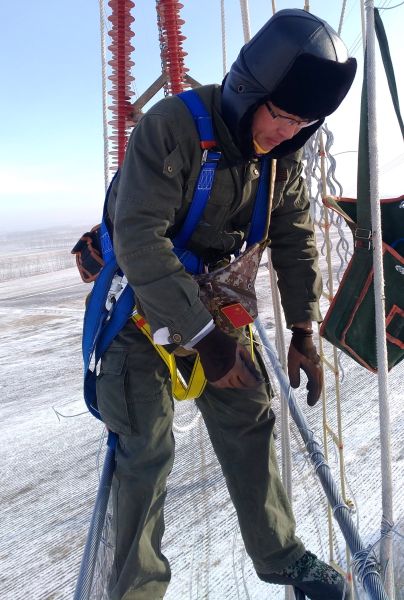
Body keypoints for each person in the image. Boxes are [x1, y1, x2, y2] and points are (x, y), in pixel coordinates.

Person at [96, 8, 357, 600]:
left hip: (212, 307)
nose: (288, 131)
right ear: (249, 90)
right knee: (146, 450)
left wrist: (303, 328)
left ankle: (280, 556)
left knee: (250, 416)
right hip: (141, 304)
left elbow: (294, 236)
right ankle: (137, 591)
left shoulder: (280, 159)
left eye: (303, 122)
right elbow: (139, 240)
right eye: (282, 115)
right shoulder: (171, 129)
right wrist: (202, 339)